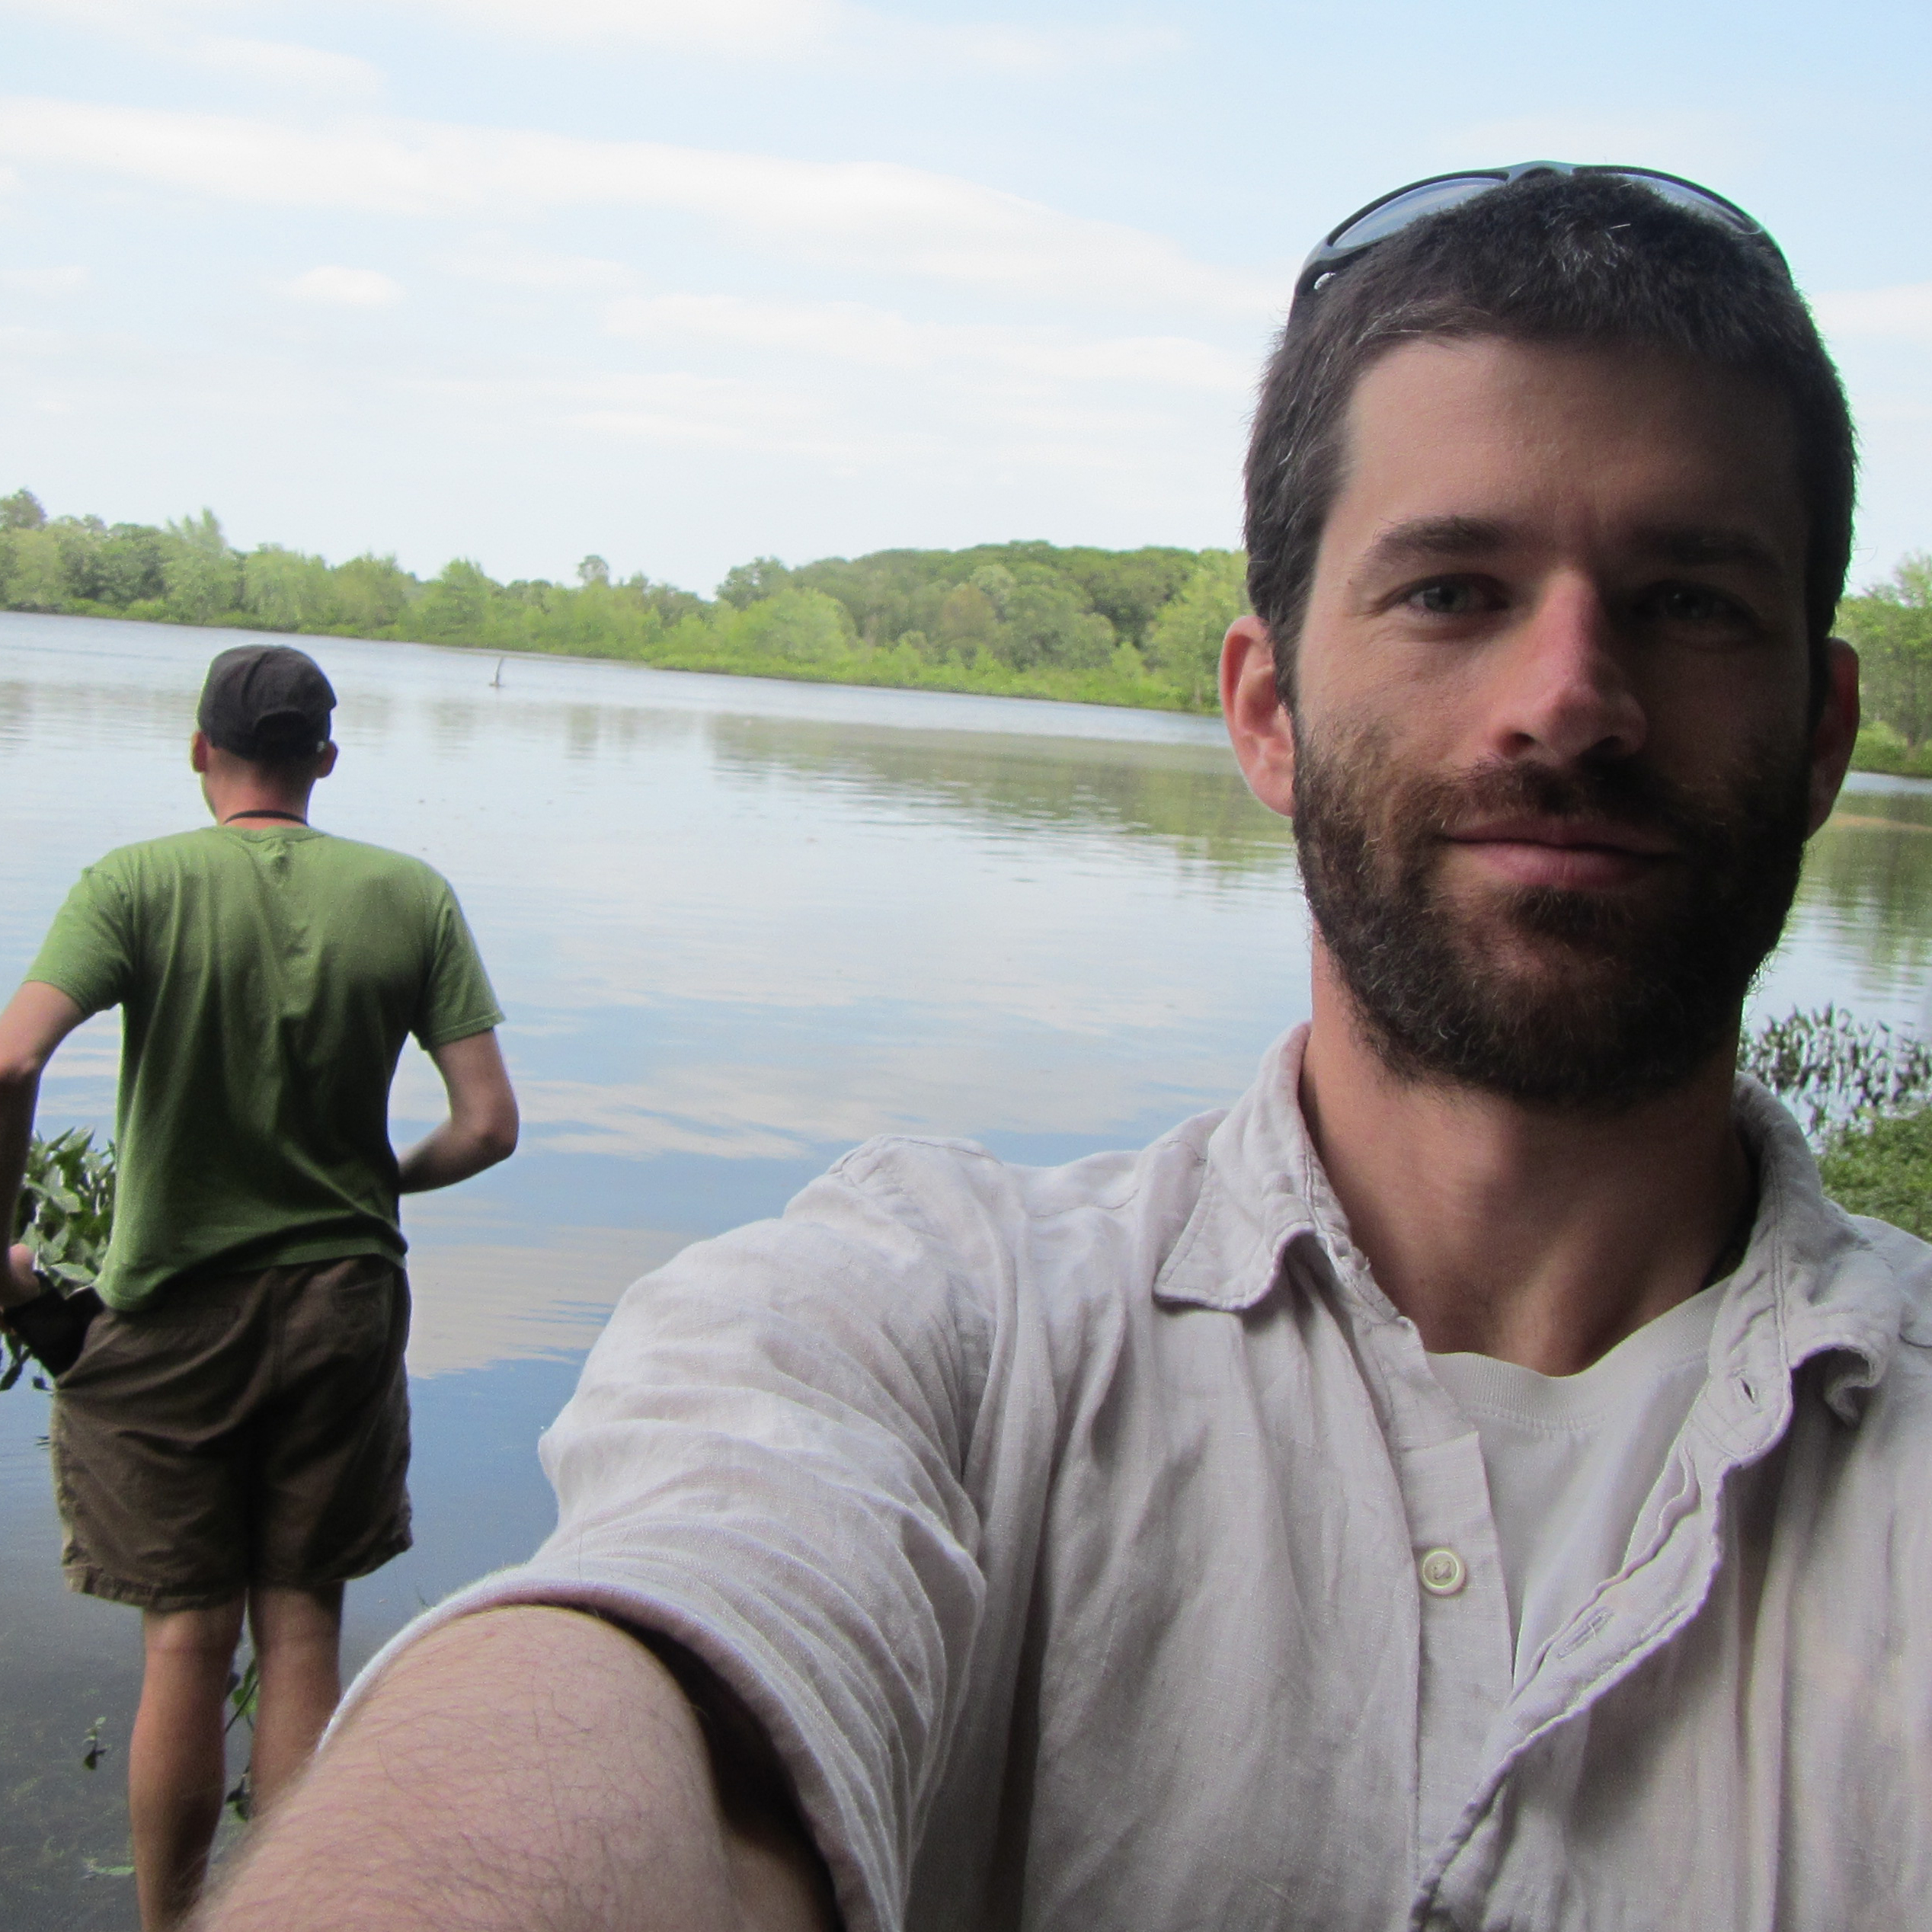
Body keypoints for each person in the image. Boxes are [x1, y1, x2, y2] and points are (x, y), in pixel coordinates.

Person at [200, 168, 1930, 1932]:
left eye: (1690, 601)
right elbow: (656, 1655)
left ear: (1818, 730)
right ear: (1265, 711)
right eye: (1451, 589)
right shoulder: (935, 1326)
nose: (1567, 691)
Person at [0, 643, 520, 1930]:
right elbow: (490, 1127)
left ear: (198, 751)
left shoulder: (134, 884)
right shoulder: (413, 896)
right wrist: (379, 1181)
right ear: (325, 761)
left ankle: (174, 1924)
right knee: (301, 1634)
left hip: (170, 1313)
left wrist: (3, 1243)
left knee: (186, 1638)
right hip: (342, 1308)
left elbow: (12, 1063)